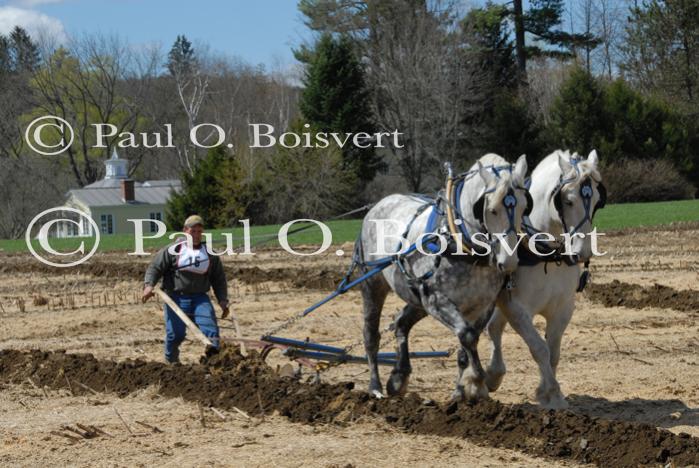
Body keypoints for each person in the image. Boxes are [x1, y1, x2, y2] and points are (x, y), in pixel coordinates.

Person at [142, 215, 229, 363]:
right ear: (185, 231)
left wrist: (222, 299)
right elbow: (155, 268)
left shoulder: (209, 253)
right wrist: (149, 285)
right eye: (192, 231)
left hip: (200, 298)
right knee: (175, 335)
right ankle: (171, 363)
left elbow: (218, 278)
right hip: (175, 298)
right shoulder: (172, 250)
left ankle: (216, 363)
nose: (196, 235)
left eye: (199, 232)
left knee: (211, 331)